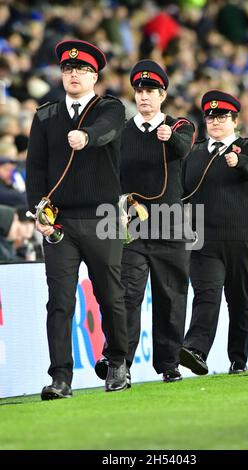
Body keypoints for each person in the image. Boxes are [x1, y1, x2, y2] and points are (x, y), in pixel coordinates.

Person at [26, 39, 128, 398]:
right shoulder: (46, 114)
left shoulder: (110, 107)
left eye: (81, 69)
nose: (73, 74)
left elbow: (110, 129)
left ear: (94, 75)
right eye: (68, 69)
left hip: (102, 217)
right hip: (60, 222)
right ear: (61, 73)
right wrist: (37, 209)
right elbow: (35, 167)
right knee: (60, 301)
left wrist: (87, 136)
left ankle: (117, 362)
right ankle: (61, 378)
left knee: (110, 295)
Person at [95, 59, 195, 384]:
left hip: (171, 225)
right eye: (139, 90)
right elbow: (110, 177)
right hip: (130, 227)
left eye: (150, 90)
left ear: (163, 94)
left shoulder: (180, 127)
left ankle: (168, 363)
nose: (144, 96)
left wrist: (168, 136)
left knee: (171, 296)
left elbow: (183, 150)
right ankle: (118, 362)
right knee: (126, 295)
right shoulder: (121, 133)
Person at [180, 90, 248, 375]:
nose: (215, 121)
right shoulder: (192, 154)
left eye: (222, 116)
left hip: (243, 236)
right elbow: (179, 192)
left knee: (238, 297)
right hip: (203, 238)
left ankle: (238, 359)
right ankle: (195, 349)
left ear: (235, 120)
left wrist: (239, 162)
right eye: (210, 116)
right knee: (206, 293)